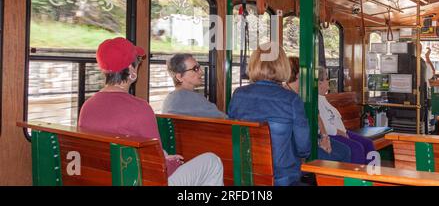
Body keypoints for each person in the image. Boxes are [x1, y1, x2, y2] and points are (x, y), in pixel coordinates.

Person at [79, 37, 223, 186]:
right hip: (144, 181)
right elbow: (158, 166)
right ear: (130, 70)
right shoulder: (139, 108)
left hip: (106, 179)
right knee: (212, 161)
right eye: (137, 62)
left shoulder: (87, 107)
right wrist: (173, 163)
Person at [228, 43, 311, 186]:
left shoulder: (238, 95)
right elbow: (303, 146)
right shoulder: (291, 99)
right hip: (282, 175)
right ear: (283, 67)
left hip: (246, 173)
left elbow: (232, 133)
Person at [286, 57, 351, 163]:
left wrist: (325, 137)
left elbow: (317, 116)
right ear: (299, 75)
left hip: (316, 136)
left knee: (345, 150)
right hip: (300, 143)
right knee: (330, 159)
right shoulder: (288, 96)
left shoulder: (305, 93)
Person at [317, 66, 375, 165]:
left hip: (342, 131)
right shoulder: (316, 100)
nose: (329, 81)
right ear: (319, 83)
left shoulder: (323, 98)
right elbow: (323, 125)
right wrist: (341, 133)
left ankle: (372, 175)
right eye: (327, 78)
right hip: (333, 134)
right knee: (356, 148)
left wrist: (343, 132)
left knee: (368, 143)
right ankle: (356, 179)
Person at [162, 53, 227, 118]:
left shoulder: (169, 99)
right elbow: (225, 121)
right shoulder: (194, 99)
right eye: (195, 69)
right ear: (179, 77)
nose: (201, 72)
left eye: (199, 67)